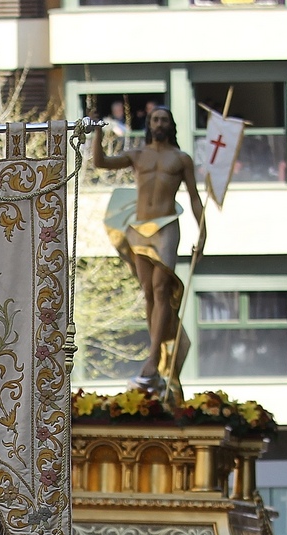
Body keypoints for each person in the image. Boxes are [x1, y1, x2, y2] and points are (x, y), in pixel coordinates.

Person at [91, 105, 206, 396]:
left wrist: (203, 233)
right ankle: (158, 351)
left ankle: (154, 358)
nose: (159, 123)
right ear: (149, 123)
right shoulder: (137, 155)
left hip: (166, 225)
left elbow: (193, 197)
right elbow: (101, 162)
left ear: (171, 125)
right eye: (155, 119)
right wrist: (96, 133)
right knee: (149, 292)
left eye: (164, 119)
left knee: (161, 287)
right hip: (139, 226)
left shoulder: (180, 159)